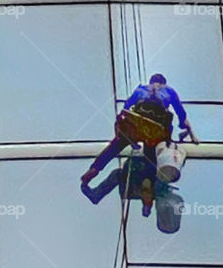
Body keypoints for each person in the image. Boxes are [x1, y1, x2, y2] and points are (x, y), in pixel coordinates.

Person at [81, 74, 197, 214]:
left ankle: (93, 171)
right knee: (151, 158)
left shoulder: (140, 89)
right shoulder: (169, 91)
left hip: (136, 126)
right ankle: (147, 191)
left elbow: (126, 107)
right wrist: (186, 128)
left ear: (151, 82)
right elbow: (181, 114)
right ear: (163, 83)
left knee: (116, 146)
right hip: (155, 130)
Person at [81, 148, 186, 232]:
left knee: (140, 182)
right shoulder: (146, 152)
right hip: (136, 178)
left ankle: (97, 195)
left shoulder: (158, 155)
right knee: (119, 175)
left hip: (143, 178)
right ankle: (96, 195)